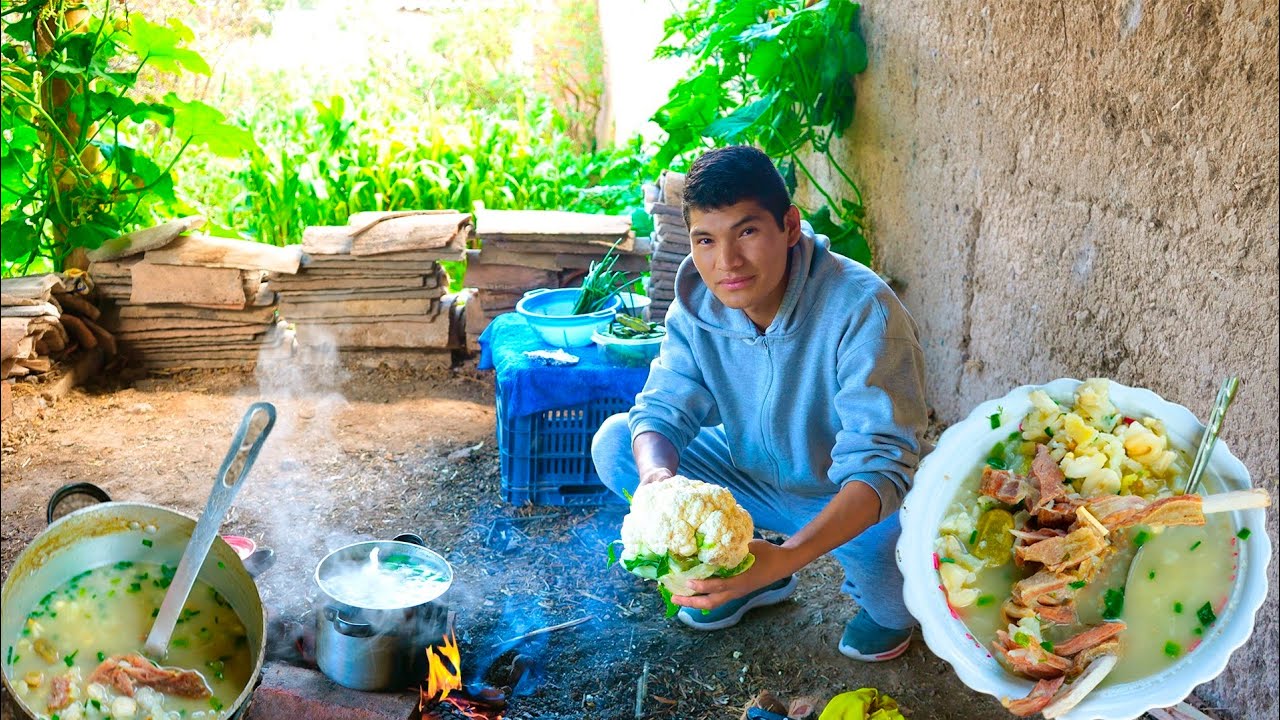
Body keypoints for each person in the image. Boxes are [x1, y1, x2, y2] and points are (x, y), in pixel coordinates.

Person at [591, 146, 928, 661]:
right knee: (619, 442)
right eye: (706, 239)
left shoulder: (863, 310)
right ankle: (741, 573)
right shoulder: (696, 306)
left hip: (841, 491)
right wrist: (658, 481)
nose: (726, 262)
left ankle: (812, 582)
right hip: (746, 475)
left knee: (894, 564)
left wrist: (787, 557)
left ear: (790, 226)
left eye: (746, 231)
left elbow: (881, 467)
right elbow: (662, 407)